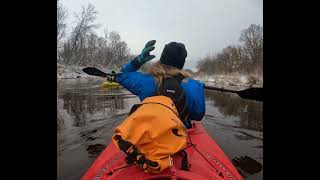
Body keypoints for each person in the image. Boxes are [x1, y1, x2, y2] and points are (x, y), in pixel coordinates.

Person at [110, 40, 205, 128]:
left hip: (151, 131)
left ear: (162, 58)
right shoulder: (194, 86)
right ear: (182, 63)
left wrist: (138, 60)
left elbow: (122, 73)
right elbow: (198, 115)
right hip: (179, 135)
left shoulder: (143, 81)